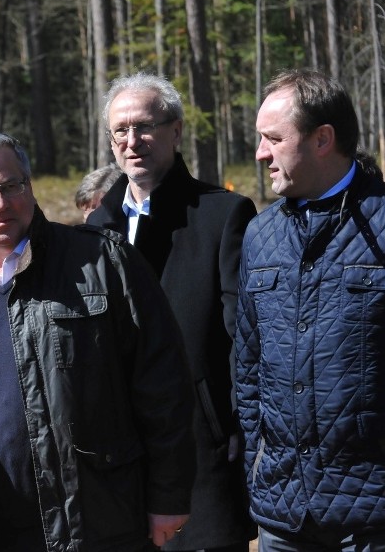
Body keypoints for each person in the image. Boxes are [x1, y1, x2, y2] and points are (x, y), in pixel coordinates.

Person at [0, 132, 196, 551]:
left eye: (12, 186)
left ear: (29, 185)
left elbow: (164, 386)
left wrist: (168, 497)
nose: (1, 203)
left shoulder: (103, 263)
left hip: (99, 520)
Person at [236, 68, 385, 550]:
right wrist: (258, 462)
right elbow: (248, 366)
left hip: (379, 513)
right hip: (283, 516)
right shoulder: (260, 234)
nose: (260, 153)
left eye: (273, 138)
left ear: (322, 139)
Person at [88, 72, 258, 552]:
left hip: (201, 444)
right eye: (120, 130)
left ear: (176, 131)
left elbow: (244, 337)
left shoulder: (223, 213)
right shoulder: (98, 222)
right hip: (118, 448)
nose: (131, 140)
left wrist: (235, 428)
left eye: (145, 126)